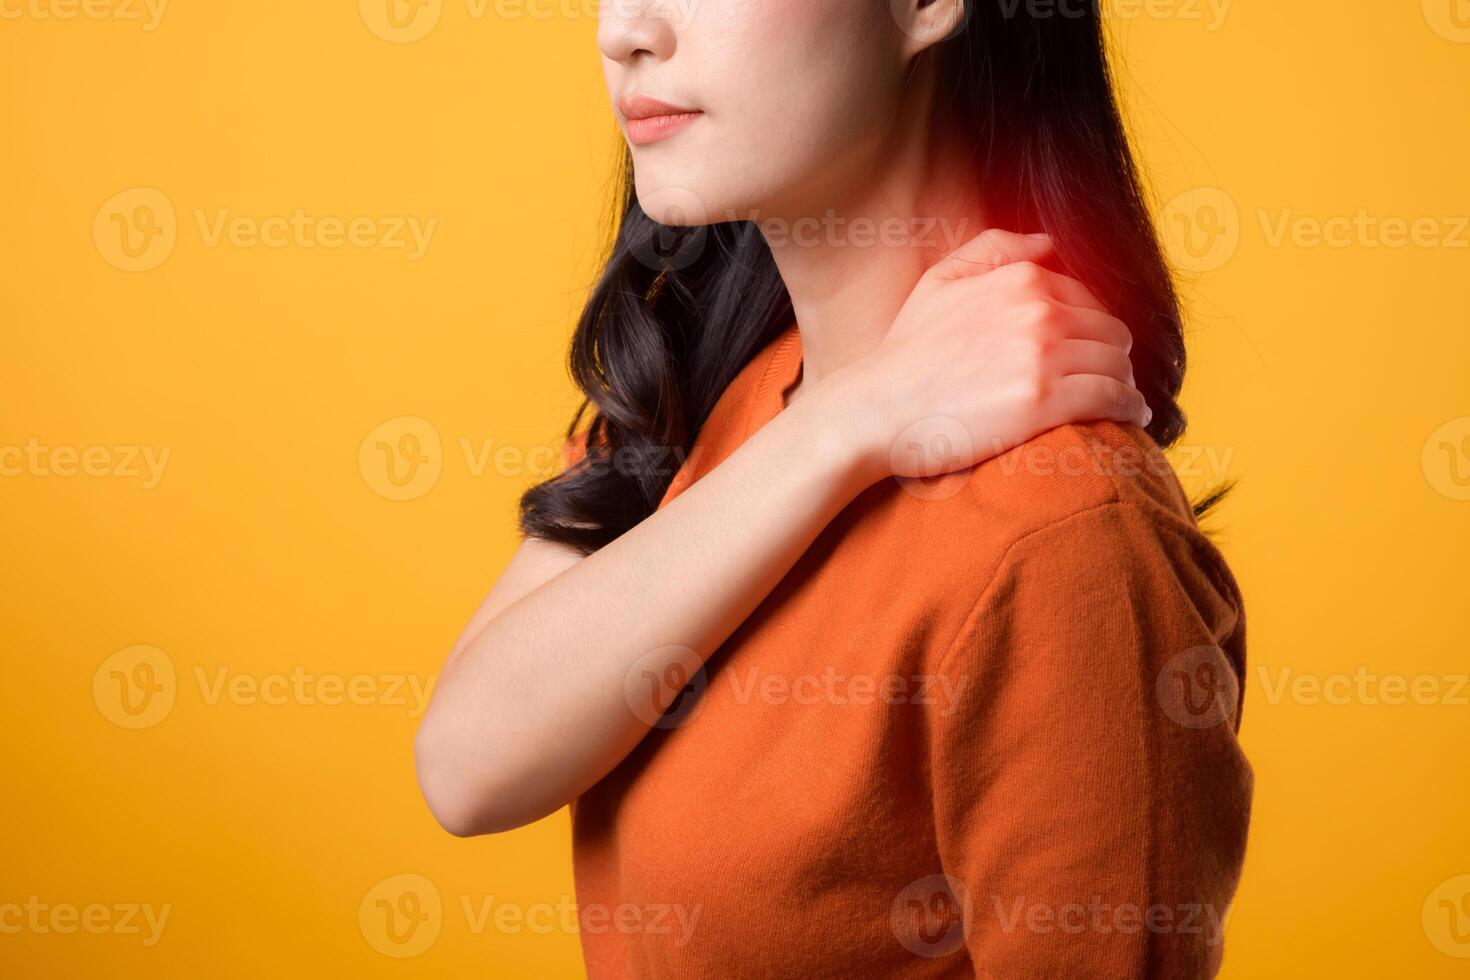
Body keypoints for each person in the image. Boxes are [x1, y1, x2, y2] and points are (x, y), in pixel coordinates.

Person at [415, 0, 1252, 975]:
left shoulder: (1063, 534)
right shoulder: (714, 387)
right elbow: (466, 768)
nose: (625, 30)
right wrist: (850, 420)